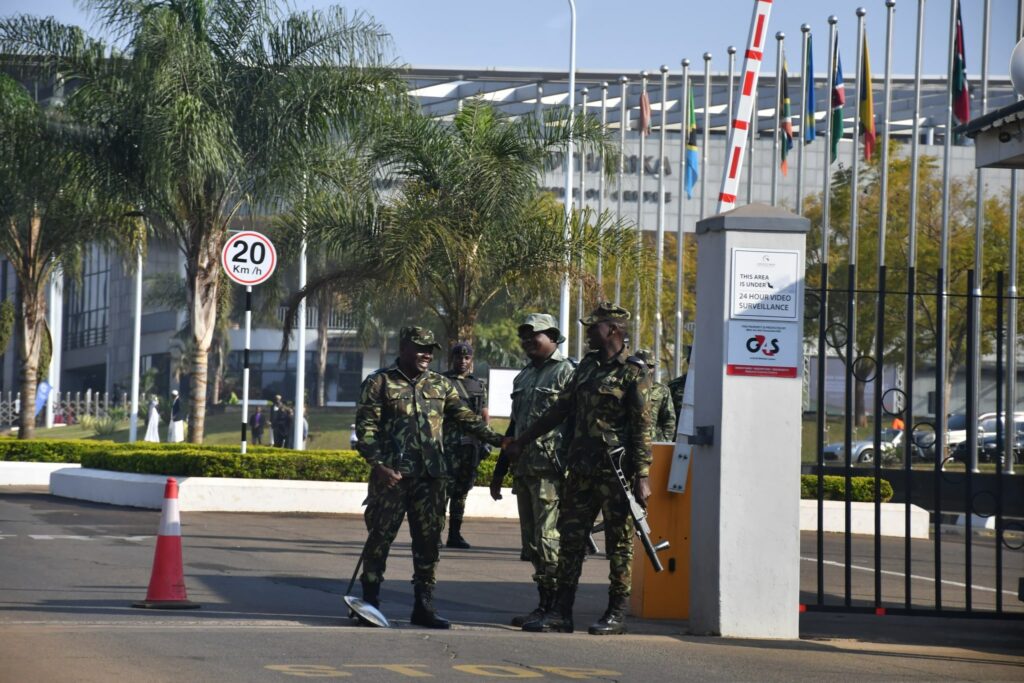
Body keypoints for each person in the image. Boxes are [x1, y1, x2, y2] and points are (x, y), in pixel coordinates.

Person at [505, 302, 651, 636]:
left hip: (617, 473)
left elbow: (642, 428)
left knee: (619, 545)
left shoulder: (634, 372)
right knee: (570, 542)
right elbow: (560, 410)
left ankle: (616, 613)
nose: (587, 332)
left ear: (612, 330)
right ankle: (560, 613)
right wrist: (523, 439)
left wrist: (642, 475)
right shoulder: (586, 367)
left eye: (594, 327)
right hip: (581, 471)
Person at [354, 325, 510, 629]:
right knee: (379, 541)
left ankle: (423, 605)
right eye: (420, 347)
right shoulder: (379, 383)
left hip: (431, 478)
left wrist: (499, 440)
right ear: (404, 348)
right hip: (393, 478)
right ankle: (369, 603)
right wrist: (378, 465)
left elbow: (467, 419)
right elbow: (365, 429)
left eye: (430, 349)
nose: (426, 354)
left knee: (428, 544)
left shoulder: (440, 385)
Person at [489, 313, 574, 627]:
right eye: (523, 337)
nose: (527, 341)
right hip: (525, 469)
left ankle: (555, 611)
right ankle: (543, 605)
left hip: (552, 470)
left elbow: (575, 423)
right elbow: (514, 426)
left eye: (533, 335)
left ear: (552, 336)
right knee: (533, 542)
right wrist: (499, 473)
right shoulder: (523, 377)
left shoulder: (568, 373)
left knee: (549, 539)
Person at [440, 342, 489, 549]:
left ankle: (454, 535)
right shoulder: (441, 381)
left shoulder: (478, 384)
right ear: (452, 359)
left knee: (461, 492)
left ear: (471, 360)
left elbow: (484, 415)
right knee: (442, 492)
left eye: (466, 358)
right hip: (447, 446)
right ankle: (435, 535)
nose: (462, 361)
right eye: (459, 357)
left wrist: (485, 440)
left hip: (470, 447)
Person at [634, 349, 677, 442]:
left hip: (654, 443)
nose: (647, 369)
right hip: (628, 444)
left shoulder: (662, 390)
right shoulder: (625, 387)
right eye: (642, 366)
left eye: (650, 366)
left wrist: (665, 441)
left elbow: (669, 420)